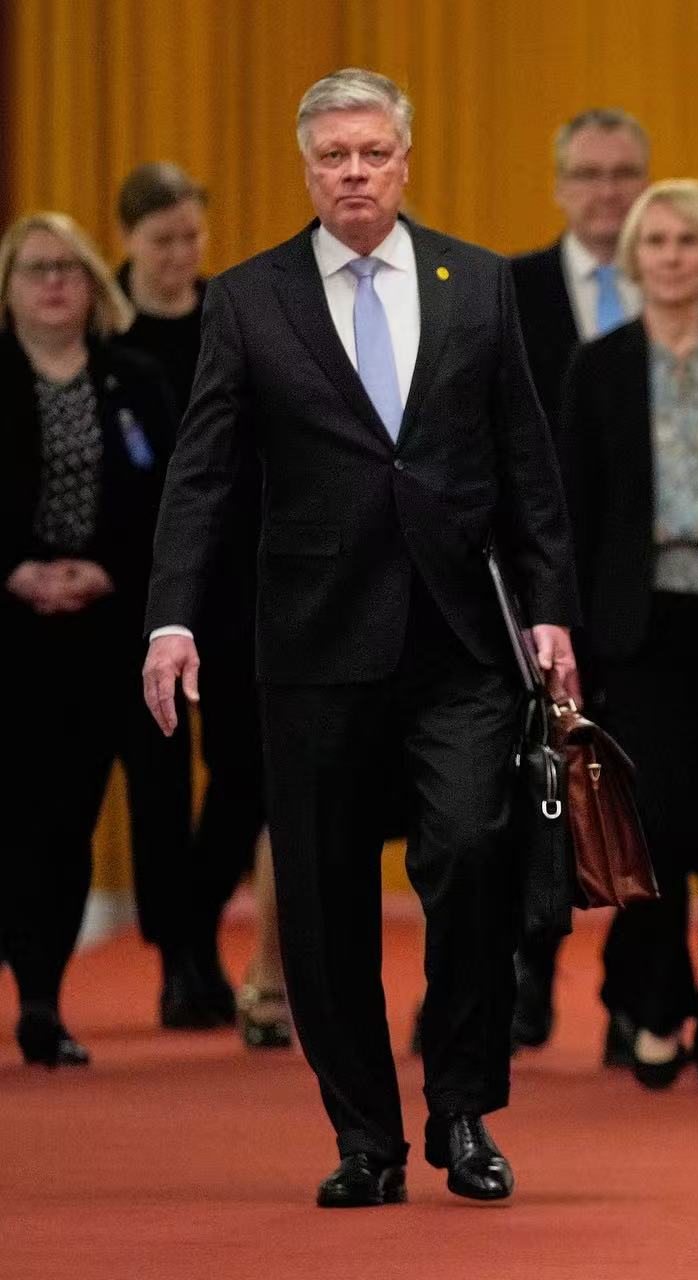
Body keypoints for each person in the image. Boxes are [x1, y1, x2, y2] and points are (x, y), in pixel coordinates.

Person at [141, 68, 579, 1208]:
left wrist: (549, 608)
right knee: (326, 896)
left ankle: (465, 1107)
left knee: (476, 855)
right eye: (332, 154)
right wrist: (174, 613)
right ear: (306, 166)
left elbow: (528, 463)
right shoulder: (249, 299)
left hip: (459, 638)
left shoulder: (478, 284)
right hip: (313, 642)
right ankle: (365, 1135)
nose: (352, 170)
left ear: (404, 160)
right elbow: (202, 473)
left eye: (372, 152)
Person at [559, 179, 698, 1092]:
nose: (672, 256)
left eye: (689, 240)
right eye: (655, 241)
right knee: (652, 831)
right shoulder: (599, 366)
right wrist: (568, 640)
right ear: (633, 258)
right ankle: (656, 1010)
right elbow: (572, 511)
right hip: (639, 627)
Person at [115, 161, 291, 1049]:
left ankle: (190, 929)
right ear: (128, 241)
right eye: (163, 240)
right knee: (153, 780)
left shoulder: (231, 310)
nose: (182, 255)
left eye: (192, 236)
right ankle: (180, 958)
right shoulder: (107, 323)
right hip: (129, 589)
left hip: (233, 581)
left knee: (244, 772)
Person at [0, 211, 176, 1068]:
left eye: (69, 268)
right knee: (14, 817)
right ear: (9, 287)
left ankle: (41, 997)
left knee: (66, 820)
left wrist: (103, 569)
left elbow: (171, 500)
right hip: (8, 624)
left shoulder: (132, 380)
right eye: (35, 269)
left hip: (104, 627)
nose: (54, 283)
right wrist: (16, 571)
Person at [510, 108, 651, 430]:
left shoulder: (682, 279)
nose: (608, 192)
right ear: (559, 187)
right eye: (588, 174)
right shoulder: (512, 287)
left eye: (625, 173)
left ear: (647, 185)